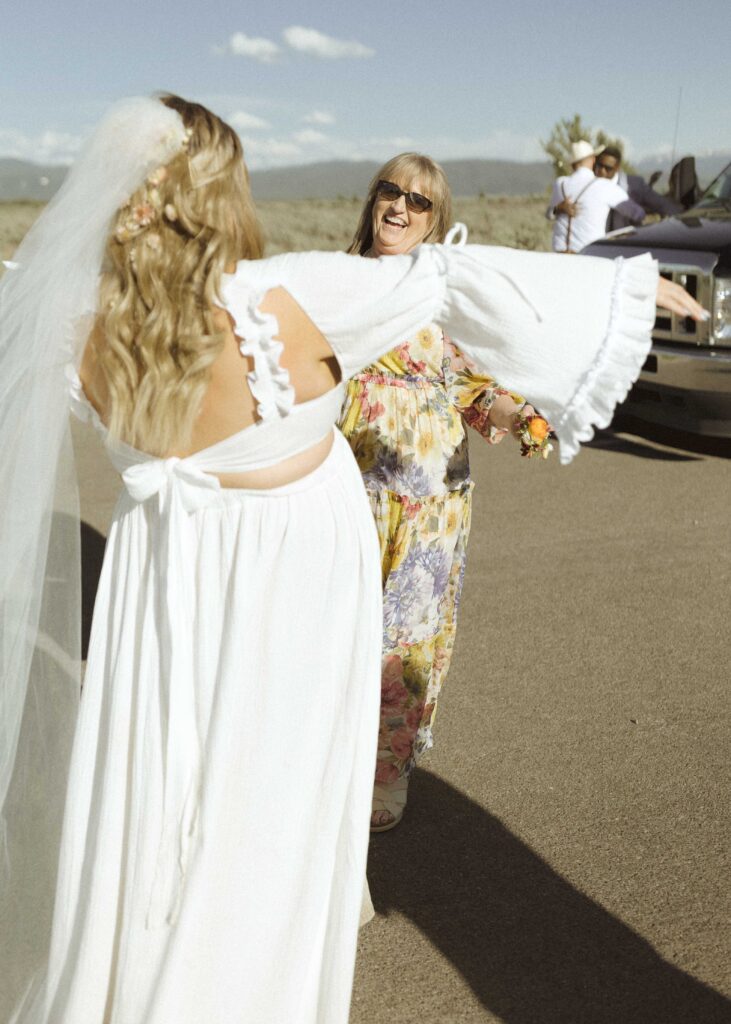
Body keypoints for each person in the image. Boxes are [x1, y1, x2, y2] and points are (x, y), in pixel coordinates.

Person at [0, 94, 705, 1024]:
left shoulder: (68, 321)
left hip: (167, 584)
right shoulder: (271, 294)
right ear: (218, 194)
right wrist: (620, 288)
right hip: (289, 586)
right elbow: (444, 280)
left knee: (169, 785)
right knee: (267, 788)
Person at [339, 156, 541, 832]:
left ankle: (384, 775)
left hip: (432, 505)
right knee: (335, 631)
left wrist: (523, 421)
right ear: (372, 200)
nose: (401, 207)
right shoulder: (334, 284)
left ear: (434, 222)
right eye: (391, 192)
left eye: (419, 202)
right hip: (345, 493)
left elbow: (476, 390)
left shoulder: (440, 297)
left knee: (406, 645)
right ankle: (322, 763)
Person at [548, 140, 645, 252]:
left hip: (559, 254)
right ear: (593, 160)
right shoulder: (605, 186)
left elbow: (550, 214)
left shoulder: (560, 184)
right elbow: (638, 214)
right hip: (589, 254)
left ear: (572, 164)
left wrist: (556, 209)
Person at [596, 145, 683, 231]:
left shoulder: (634, 185)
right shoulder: (589, 185)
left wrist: (683, 216)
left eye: (608, 168)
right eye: (600, 166)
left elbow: (661, 204)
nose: (602, 171)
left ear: (617, 168)